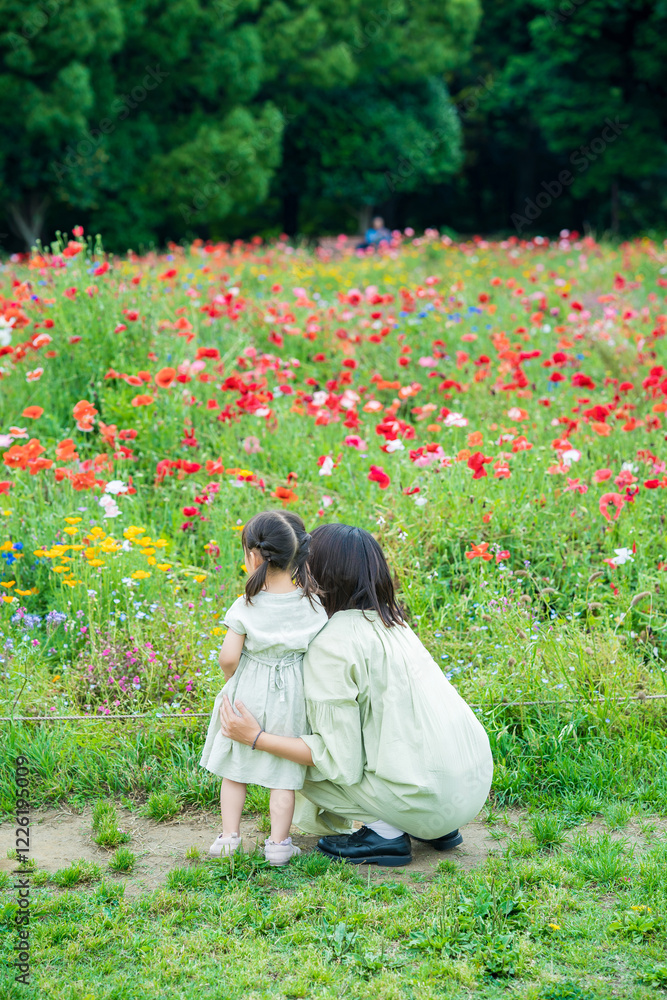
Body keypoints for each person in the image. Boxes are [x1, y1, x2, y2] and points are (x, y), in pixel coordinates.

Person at [219, 523, 494, 868]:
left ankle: (387, 832)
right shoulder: (394, 623)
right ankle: (429, 825)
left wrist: (256, 737)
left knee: (292, 762)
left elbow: (338, 762)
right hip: (469, 790)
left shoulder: (332, 644)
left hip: (428, 800)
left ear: (318, 573)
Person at [199, 510, 327, 866]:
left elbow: (228, 657)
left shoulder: (247, 604)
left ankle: (229, 838)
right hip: (292, 694)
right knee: (283, 775)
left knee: (235, 768)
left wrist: (233, 679)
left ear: (254, 556)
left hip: (250, 688)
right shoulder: (313, 604)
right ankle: (279, 844)